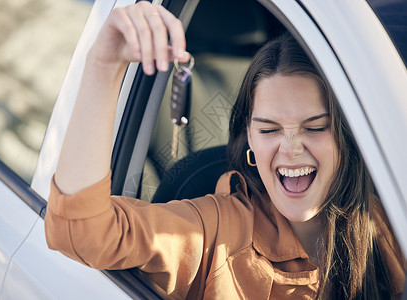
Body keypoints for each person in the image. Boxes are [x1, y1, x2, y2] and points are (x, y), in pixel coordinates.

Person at [44, 2, 405, 299]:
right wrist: (103, 65)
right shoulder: (218, 231)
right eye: (268, 130)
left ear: (347, 135)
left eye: (314, 127)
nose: (291, 148)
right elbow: (83, 232)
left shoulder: (383, 214)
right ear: (247, 136)